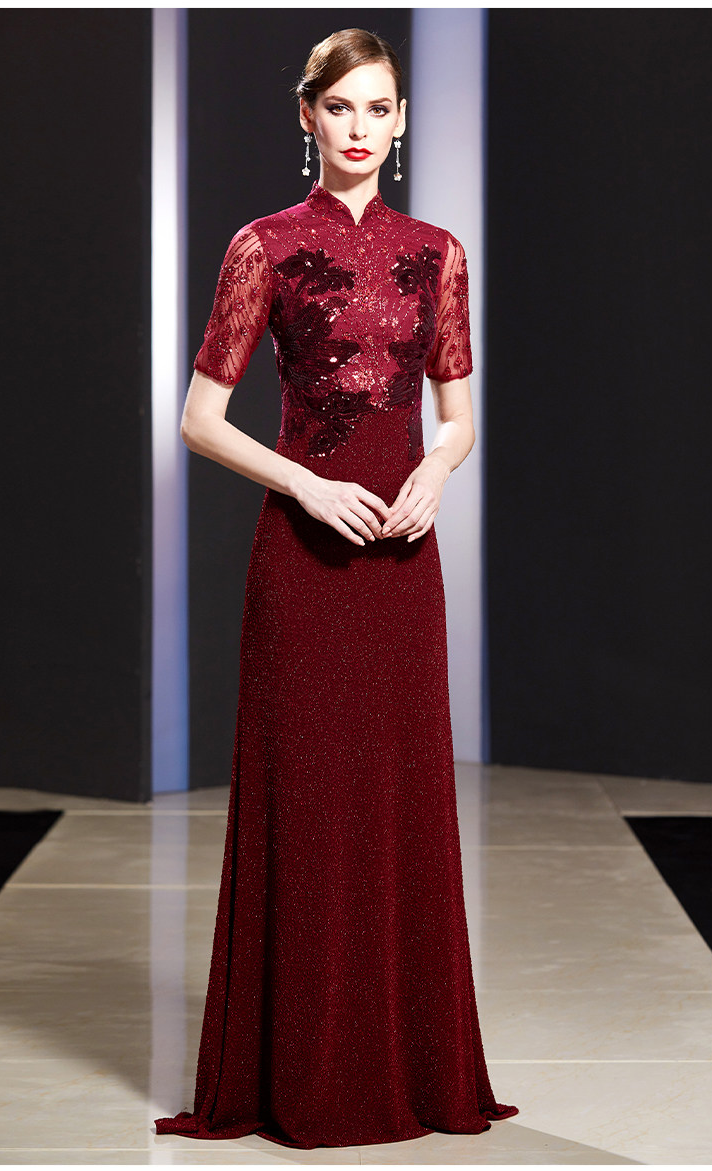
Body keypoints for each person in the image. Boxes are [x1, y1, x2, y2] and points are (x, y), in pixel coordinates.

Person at [154, 27, 518, 1150]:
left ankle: (410, 1069)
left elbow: (457, 418)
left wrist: (434, 473)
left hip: (402, 561)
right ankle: (300, 1076)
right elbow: (199, 420)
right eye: (341, 106)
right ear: (307, 115)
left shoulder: (438, 254)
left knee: (401, 807)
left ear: (400, 123)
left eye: (380, 107)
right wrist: (307, 486)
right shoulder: (262, 246)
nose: (361, 127)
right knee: (307, 807)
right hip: (303, 563)